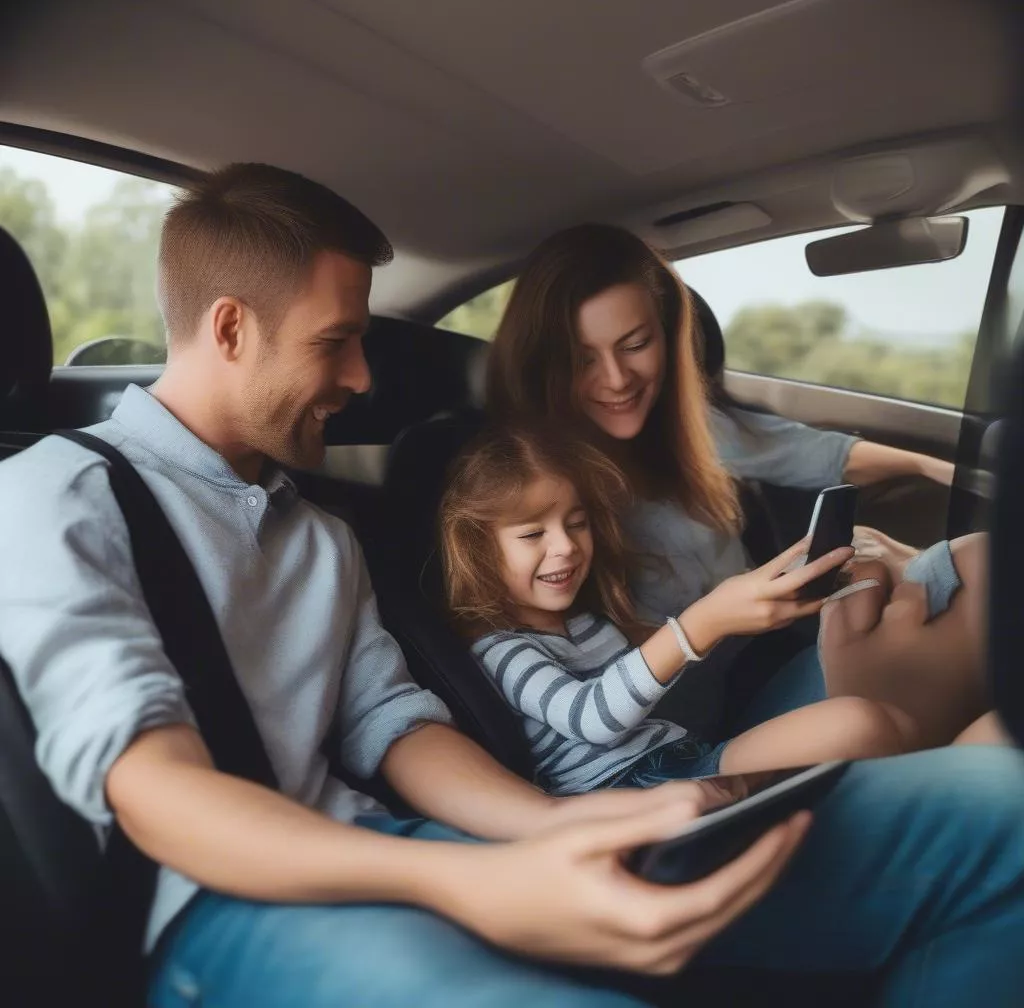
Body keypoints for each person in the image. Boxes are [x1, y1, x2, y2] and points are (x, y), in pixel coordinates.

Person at [0, 164, 1023, 1007]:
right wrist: (473, 878)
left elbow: (395, 726)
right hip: (224, 910)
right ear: (229, 330)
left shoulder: (319, 537)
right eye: (335, 340)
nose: (361, 377)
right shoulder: (51, 495)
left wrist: (554, 827)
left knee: (1008, 817)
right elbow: (156, 791)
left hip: (419, 843)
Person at [486, 223, 989, 747]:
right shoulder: (537, 489)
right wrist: (720, 620)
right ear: (543, 362)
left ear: (668, 334)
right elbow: (589, 684)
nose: (616, 379)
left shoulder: (687, 427)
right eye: (582, 358)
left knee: (966, 561)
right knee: (965, 602)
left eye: (635, 344)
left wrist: (940, 468)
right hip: (702, 718)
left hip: (777, 650)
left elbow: (805, 450)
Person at [441, 424, 920, 794]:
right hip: (626, 794)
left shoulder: (586, 622)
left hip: (687, 759)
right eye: (532, 534)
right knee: (860, 725)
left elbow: (659, 673)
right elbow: (590, 718)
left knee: (881, 723)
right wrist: (700, 623)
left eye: (577, 523)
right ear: (478, 549)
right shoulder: (500, 649)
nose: (565, 546)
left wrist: (760, 598)